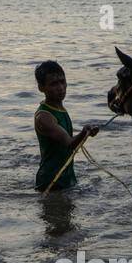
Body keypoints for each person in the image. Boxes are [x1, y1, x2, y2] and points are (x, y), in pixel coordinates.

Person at [33, 60, 98, 192]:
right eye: (54, 84)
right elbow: (69, 143)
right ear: (41, 87)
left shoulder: (60, 109)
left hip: (66, 180)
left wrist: (86, 133)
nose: (60, 88)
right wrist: (84, 131)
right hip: (51, 183)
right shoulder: (44, 117)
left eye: (62, 82)